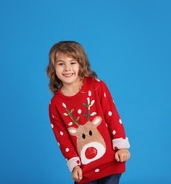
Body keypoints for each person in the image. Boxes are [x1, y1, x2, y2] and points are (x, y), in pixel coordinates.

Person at [47, 41, 130, 184]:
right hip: (85, 168)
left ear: (81, 64)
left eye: (72, 62)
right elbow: (63, 138)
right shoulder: (55, 104)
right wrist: (74, 165)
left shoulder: (97, 86)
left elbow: (112, 117)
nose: (67, 68)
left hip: (111, 161)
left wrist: (121, 147)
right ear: (53, 68)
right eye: (61, 64)